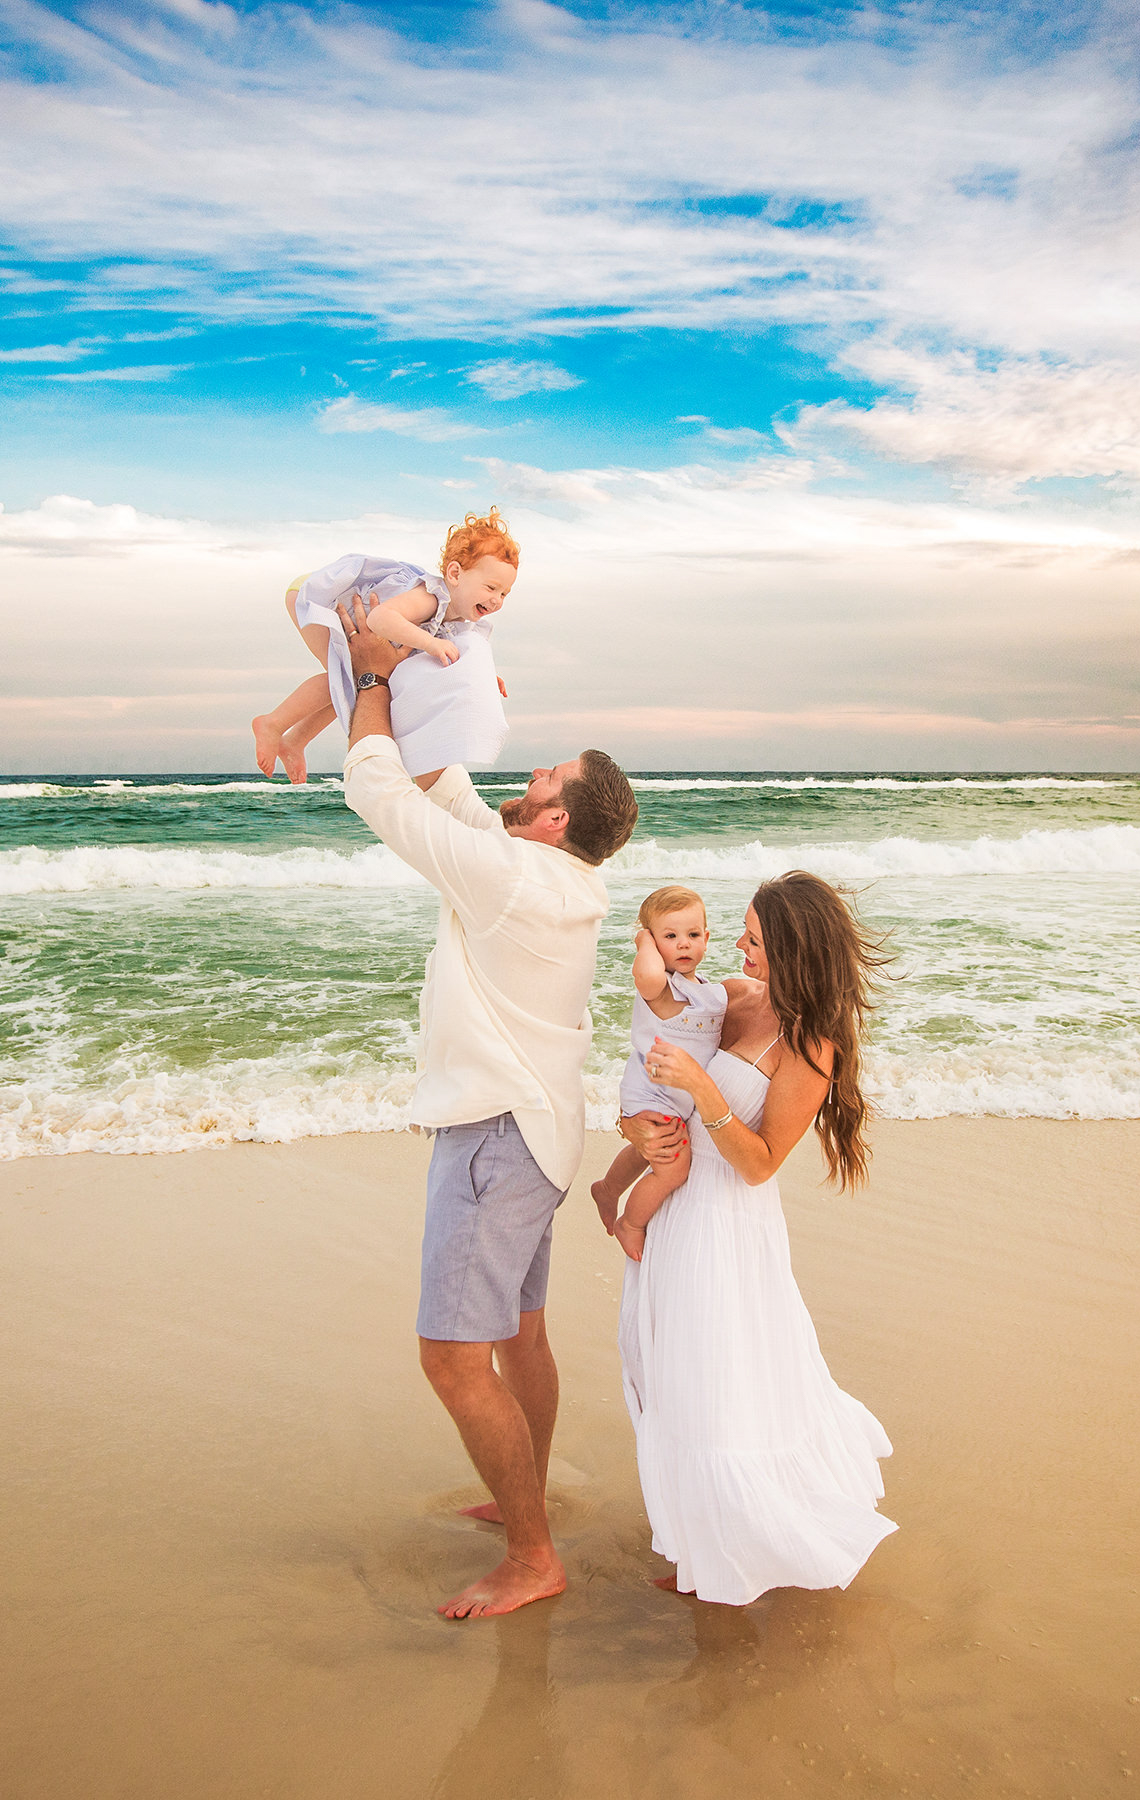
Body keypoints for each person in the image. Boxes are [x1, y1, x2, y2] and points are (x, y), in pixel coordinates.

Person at [336, 592, 638, 1621]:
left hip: (495, 1142)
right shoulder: (556, 877)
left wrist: (375, 674)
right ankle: (528, 1500)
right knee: (521, 1338)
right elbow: (450, 788)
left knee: (454, 1358)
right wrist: (452, 694)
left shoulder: (511, 878)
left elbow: (380, 789)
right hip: (541, 1137)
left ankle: (533, 1554)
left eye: (545, 777)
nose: (530, 778)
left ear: (556, 818)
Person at [617, 871, 897, 1606]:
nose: (737, 949)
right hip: (678, 1208)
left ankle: (737, 1554)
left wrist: (708, 1094)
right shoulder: (728, 999)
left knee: (721, 1395)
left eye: (755, 941)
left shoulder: (811, 1045)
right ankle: (701, 1543)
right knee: (670, 1379)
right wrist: (634, 1128)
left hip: (727, 1229)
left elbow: (760, 1163)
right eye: (739, 932)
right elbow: (652, 1067)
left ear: (795, 951)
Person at [252, 508, 517, 785]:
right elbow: (380, 618)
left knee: (348, 689)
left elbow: (464, 655)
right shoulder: (431, 597)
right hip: (320, 596)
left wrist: (486, 678)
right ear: (454, 574)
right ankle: (272, 723)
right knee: (343, 680)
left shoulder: (461, 621)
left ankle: (295, 740)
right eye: (490, 587)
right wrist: (430, 643)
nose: (497, 600)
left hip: (338, 607)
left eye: (504, 593)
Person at [590, 886, 726, 1262]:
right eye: (670, 936)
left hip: (674, 1099)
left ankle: (607, 1188)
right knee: (673, 1167)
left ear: (707, 938)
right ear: (651, 941)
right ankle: (630, 1224)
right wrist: (643, 941)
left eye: (693, 935)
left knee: (643, 1153)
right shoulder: (659, 987)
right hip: (650, 1095)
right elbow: (646, 970)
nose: (683, 944)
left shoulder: (707, 991)